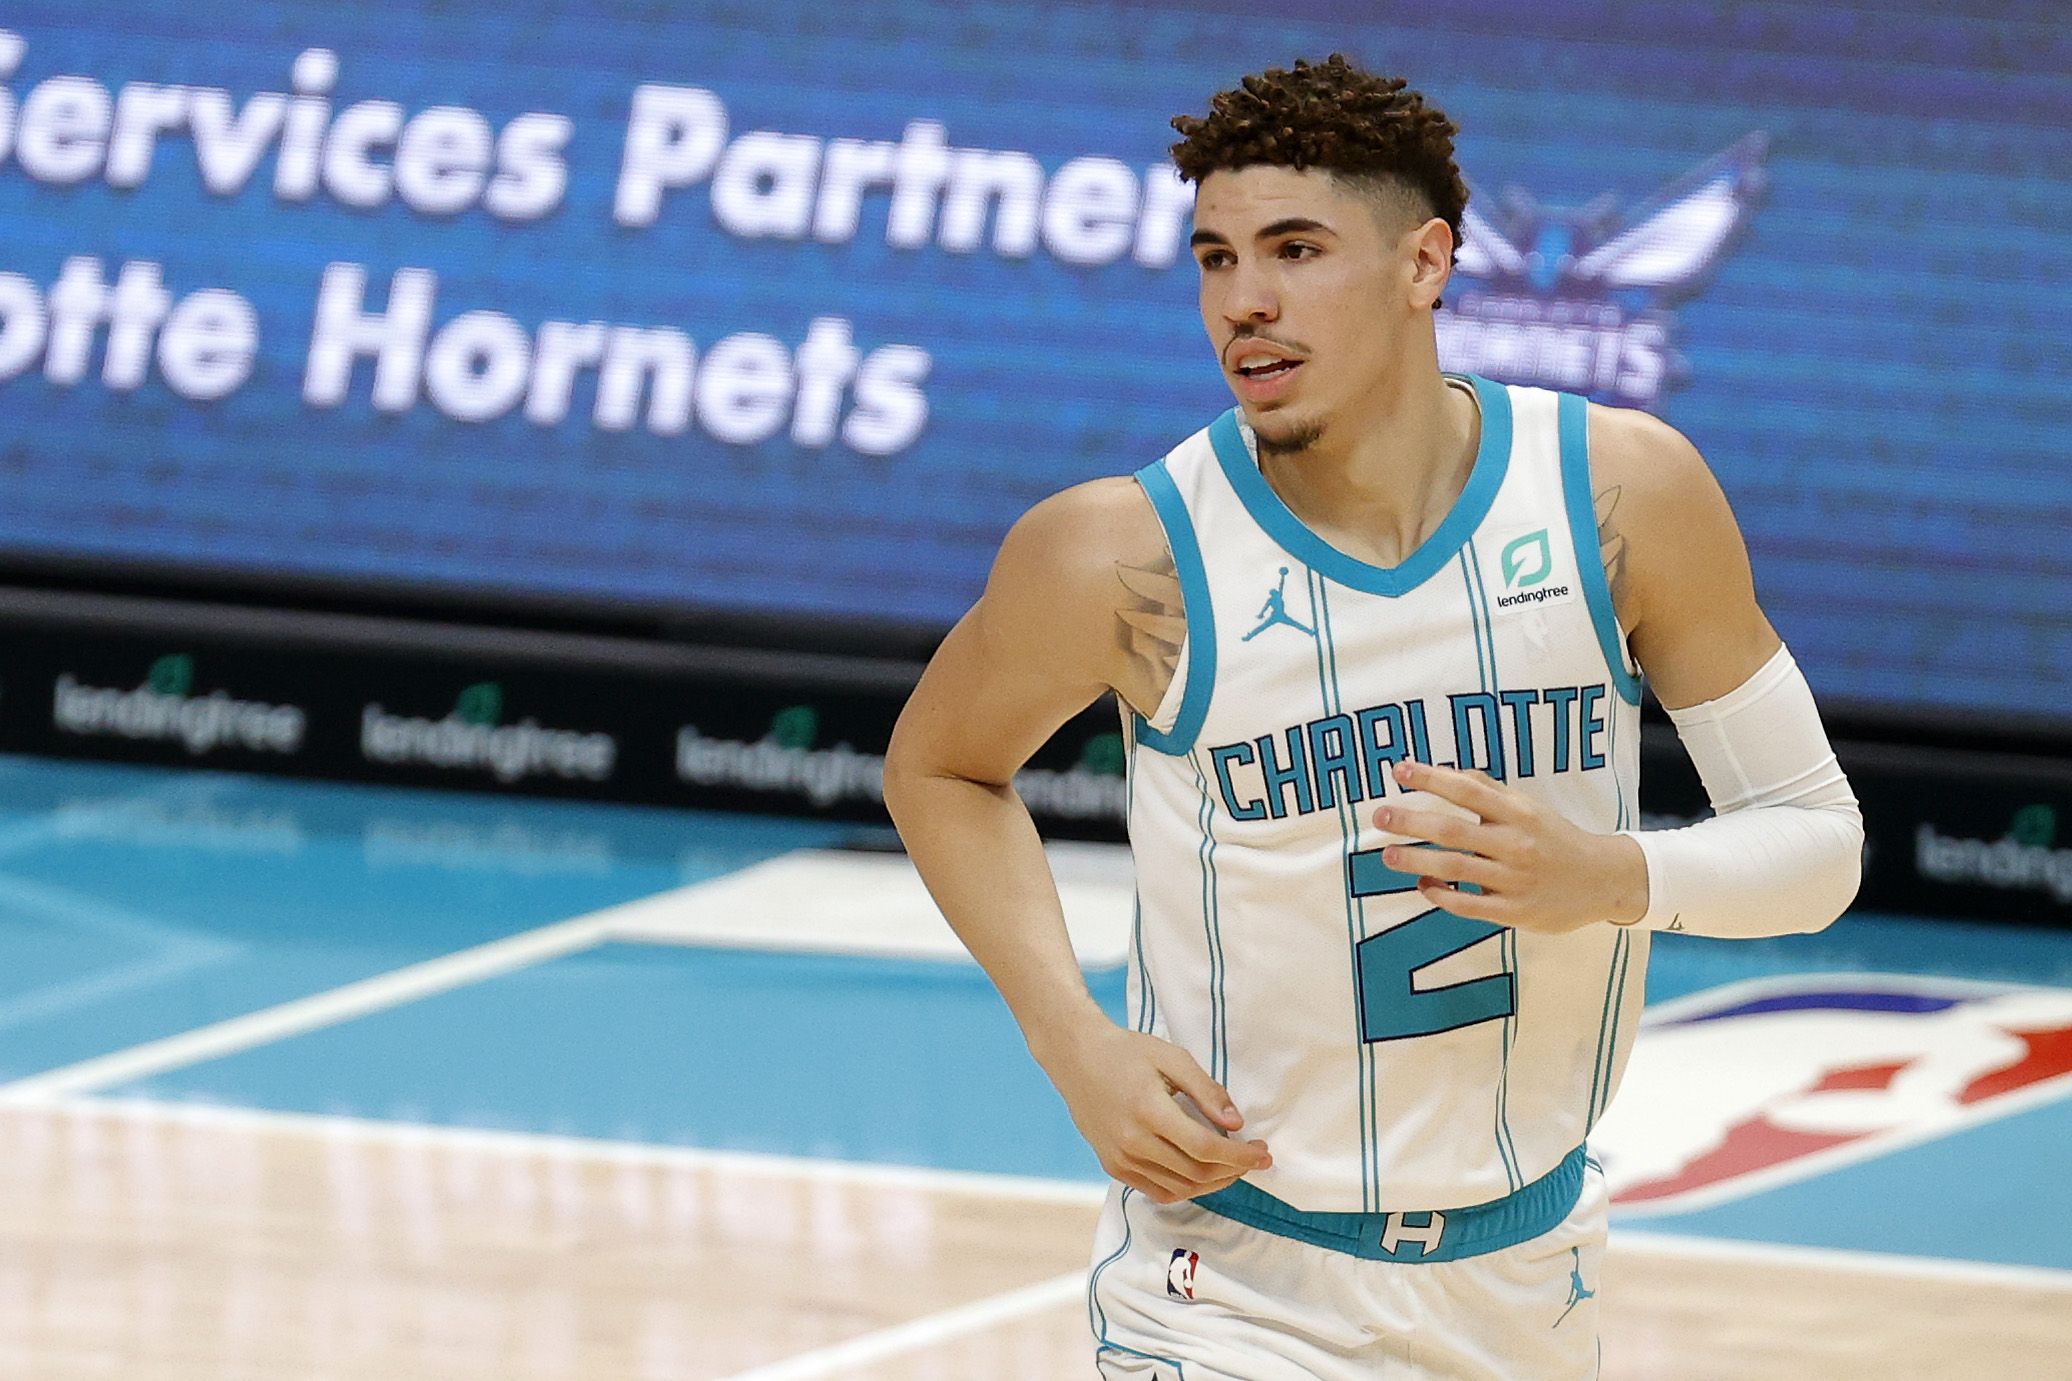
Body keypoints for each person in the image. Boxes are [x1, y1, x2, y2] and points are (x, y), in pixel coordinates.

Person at [882, 54, 1863, 1380]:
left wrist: (1612, 876)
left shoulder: (1620, 496)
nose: (1246, 300)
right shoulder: (1122, 554)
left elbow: (1817, 844)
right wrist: (1074, 1040)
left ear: (1426, 263)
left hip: (1529, 1281)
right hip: (1230, 1286)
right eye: (1216, 258)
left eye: (1296, 250)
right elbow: (940, 768)